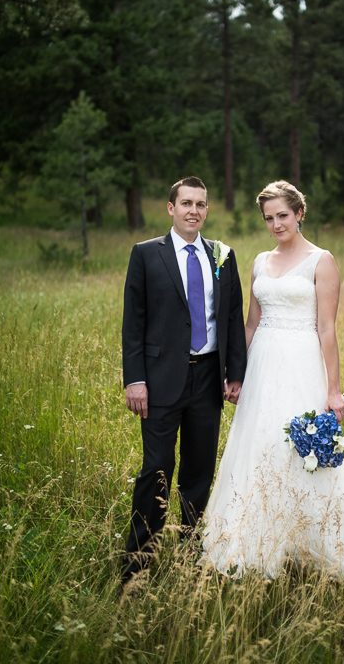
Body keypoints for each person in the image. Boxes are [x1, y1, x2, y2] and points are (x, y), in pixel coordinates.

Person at [201, 181, 344, 584]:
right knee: (260, 448)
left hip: (302, 363)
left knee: (298, 453)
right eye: (268, 218)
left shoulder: (322, 261)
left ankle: (320, 544)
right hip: (262, 366)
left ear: (299, 213)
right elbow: (251, 323)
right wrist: (235, 375)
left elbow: (326, 329)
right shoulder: (259, 261)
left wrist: (333, 389)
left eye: (282, 215)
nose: (275, 224)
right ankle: (253, 545)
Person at [121, 176, 247, 586]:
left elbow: (231, 318)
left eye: (201, 204)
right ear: (171, 208)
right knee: (156, 470)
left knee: (198, 472)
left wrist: (235, 374)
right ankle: (136, 565)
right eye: (186, 203)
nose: (194, 210)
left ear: (207, 210)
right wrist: (135, 379)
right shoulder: (145, 254)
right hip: (159, 381)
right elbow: (133, 322)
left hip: (208, 378)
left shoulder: (223, 255)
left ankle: (192, 555)